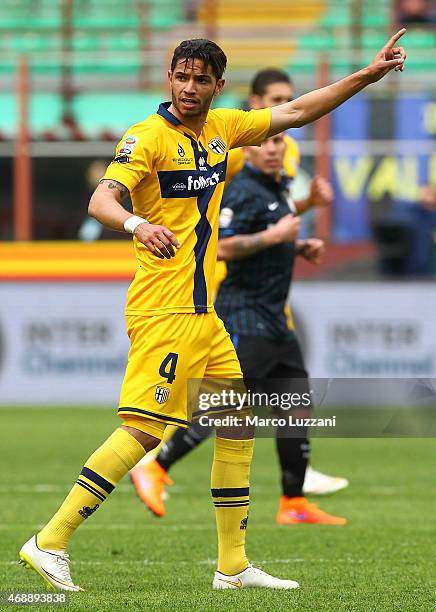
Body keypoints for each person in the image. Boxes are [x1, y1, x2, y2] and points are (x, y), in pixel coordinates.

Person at [18, 33, 407, 592]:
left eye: (202, 79)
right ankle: (50, 540)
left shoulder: (224, 129)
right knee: (144, 430)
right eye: (182, 76)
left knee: (236, 423)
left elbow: (296, 110)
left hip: (206, 314)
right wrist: (136, 223)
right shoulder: (147, 137)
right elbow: (101, 199)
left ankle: (232, 566)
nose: (190, 87)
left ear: (218, 86)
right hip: (164, 309)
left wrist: (366, 76)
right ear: (168, 76)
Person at [130, 69, 348, 522]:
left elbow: (273, 224)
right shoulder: (233, 169)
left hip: (273, 315)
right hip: (239, 310)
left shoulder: (279, 181)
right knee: (227, 406)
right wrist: (274, 237)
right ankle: (157, 463)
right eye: (277, 103)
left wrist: (296, 239)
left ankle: (293, 501)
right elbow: (225, 240)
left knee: (294, 402)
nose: (277, 143)